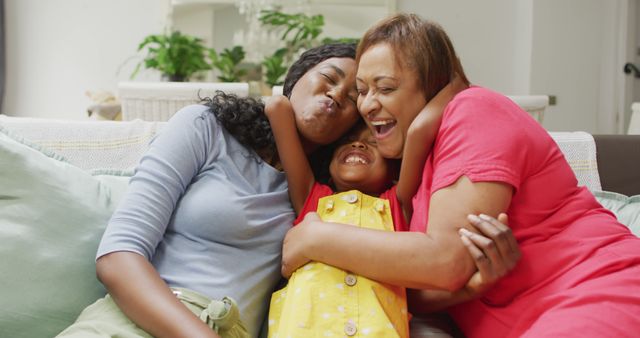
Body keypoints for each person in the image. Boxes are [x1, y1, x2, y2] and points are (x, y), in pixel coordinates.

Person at [56, 42, 516, 338]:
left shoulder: (323, 198)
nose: (338, 95)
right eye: (329, 77)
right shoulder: (206, 129)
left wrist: (475, 283)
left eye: (354, 96)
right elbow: (118, 255)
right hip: (135, 321)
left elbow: (391, 288)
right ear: (295, 79)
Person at [280, 13, 640, 338]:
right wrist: (473, 286)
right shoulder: (409, 180)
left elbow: (445, 262)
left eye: (386, 88)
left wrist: (313, 237)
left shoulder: (474, 111)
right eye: (363, 91)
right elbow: (417, 288)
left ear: (432, 82)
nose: (368, 104)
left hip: (597, 290)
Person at [263, 74, 452, 336]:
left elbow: (420, 130)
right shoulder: (313, 199)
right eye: (346, 142)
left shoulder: (397, 203)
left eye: (373, 142)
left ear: (394, 172)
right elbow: (277, 109)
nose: (358, 143)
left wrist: (452, 82)